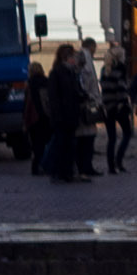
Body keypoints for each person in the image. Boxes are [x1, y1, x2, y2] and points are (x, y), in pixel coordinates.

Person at [44, 43, 92, 184]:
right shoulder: (57, 73)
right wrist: (57, 116)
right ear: (67, 58)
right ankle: (57, 172)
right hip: (61, 118)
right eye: (73, 57)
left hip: (72, 116)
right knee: (60, 145)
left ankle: (68, 172)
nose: (75, 60)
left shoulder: (72, 73)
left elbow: (74, 92)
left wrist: (83, 96)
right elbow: (54, 98)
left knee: (70, 146)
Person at [99, 50, 135, 175]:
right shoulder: (120, 69)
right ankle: (118, 160)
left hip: (108, 107)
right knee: (127, 133)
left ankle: (111, 166)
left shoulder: (104, 69)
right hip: (119, 106)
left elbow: (104, 88)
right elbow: (121, 88)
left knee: (112, 138)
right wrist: (123, 102)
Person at [74, 42, 105, 180]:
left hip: (87, 106)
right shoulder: (84, 62)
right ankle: (84, 168)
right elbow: (88, 84)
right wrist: (93, 98)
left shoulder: (85, 62)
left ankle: (87, 167)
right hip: (85, 108)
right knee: (85, 141)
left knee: (88, 139)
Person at [24, 59, 52, 177]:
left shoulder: (29, 84)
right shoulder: (47, 82)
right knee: (47, 142)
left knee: (36, 145)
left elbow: (26, 104)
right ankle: (46, 165)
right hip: (46, 116)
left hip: (33, 118)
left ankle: (36, 166)